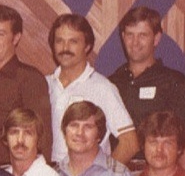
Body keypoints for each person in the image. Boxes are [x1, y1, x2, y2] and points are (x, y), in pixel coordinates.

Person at [108, 6, 185, 170]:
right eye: (130, 35)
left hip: (159, 174)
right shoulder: (112, 83)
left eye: (142, 35)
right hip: (117, 173)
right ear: (123, 37)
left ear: (156, 38)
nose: (135, 42)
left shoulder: (174, 82)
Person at [47, 13, 137, 167]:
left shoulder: (102, 88)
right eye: (59, 41)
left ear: (87, 46)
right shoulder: (45, 85)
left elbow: (130, 143)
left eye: (73, 41)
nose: (65, 48)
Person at [0, 4, 52, 167]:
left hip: (13, 174)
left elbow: (42, 138)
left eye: (0, 34)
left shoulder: (30, 79)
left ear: (16, 38)